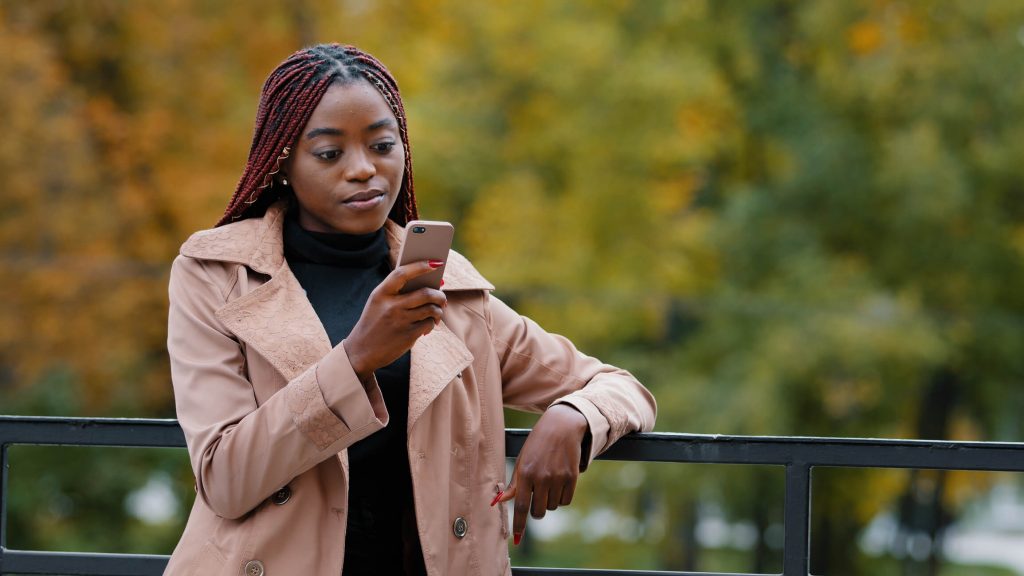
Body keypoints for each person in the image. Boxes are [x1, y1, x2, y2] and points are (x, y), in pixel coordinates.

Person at [164, 43, 656, 576]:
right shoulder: (217, 276)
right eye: (330, 153)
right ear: (282, 163)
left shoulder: (455, 295)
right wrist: (355, 359)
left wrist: (573, 415)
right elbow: (226, 480)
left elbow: (621, 388)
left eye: (381, 144)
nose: (363, 170)